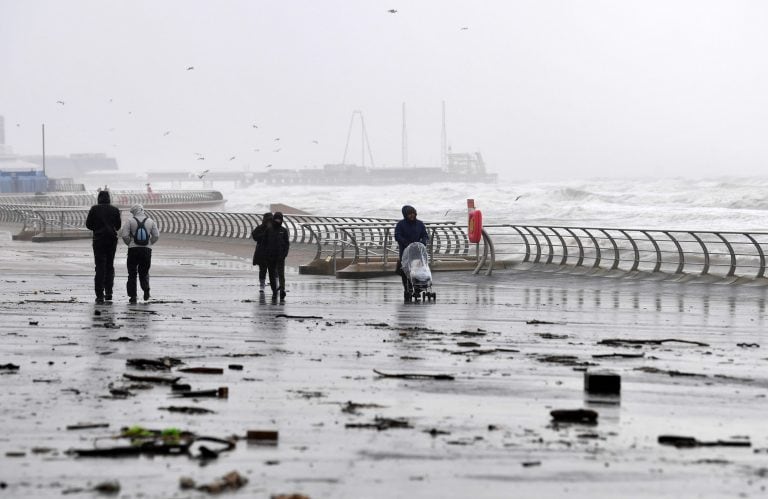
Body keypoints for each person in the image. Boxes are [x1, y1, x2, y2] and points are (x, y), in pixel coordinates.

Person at [85, 190, 122, 304]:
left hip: (99, 240)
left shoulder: (94, 209)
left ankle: (99, 295)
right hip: (111, 240)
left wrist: (97, 228)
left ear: (99, 198)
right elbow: (118, 226)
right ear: (109, 198)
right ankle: (109, 292)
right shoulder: (115, 210)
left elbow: (88, 225)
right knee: (110, 266)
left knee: (100, 267)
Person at [120, 204, 160, 304]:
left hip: (133, 249)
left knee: (132, 273)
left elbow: (124, 235)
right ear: (142, 210)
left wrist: (130, 243)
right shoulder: (150, 221)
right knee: (144, 272)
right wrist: (149, 243)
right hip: (146, 250)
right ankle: (146, 289)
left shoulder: (130, 221)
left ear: (133, 212)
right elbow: (156, 235)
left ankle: (133, 296)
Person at [394, 205, 429, 299]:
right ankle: (407, 288)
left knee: (418, 269)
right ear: (405, 214)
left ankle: (418, 288)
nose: (412, 215)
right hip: (405, 251)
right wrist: (405, 242)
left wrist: (423, 242)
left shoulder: (420, 224)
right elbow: (397, 236)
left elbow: (425, 235)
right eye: (409, 214)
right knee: (406, 270)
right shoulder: (401, 224)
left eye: (413, 213)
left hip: (417, 251)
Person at [264, 211, 290, 300]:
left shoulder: (283, 231)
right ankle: (274, 291)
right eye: (276, 219)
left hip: (280, 256)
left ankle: (282, 289)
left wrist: (285, 254)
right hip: (270, 257)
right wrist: (266, 254)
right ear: (274, 219)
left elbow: (287, 244)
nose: (278, 221)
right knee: (271, 274)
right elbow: (264, 243)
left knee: (281, 274)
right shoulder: (269, 230)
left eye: (280, 219)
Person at [251, 212, 273, 293]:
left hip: (272, 252)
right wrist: (265, 233)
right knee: (263, 270)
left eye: (271, 220)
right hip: (262, 252)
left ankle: (275, 285)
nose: (269, 222)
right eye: (268, 220)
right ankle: (262, 285)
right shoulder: (260, 228)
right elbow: (255, 236)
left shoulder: (275, 228)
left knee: (274, 270)